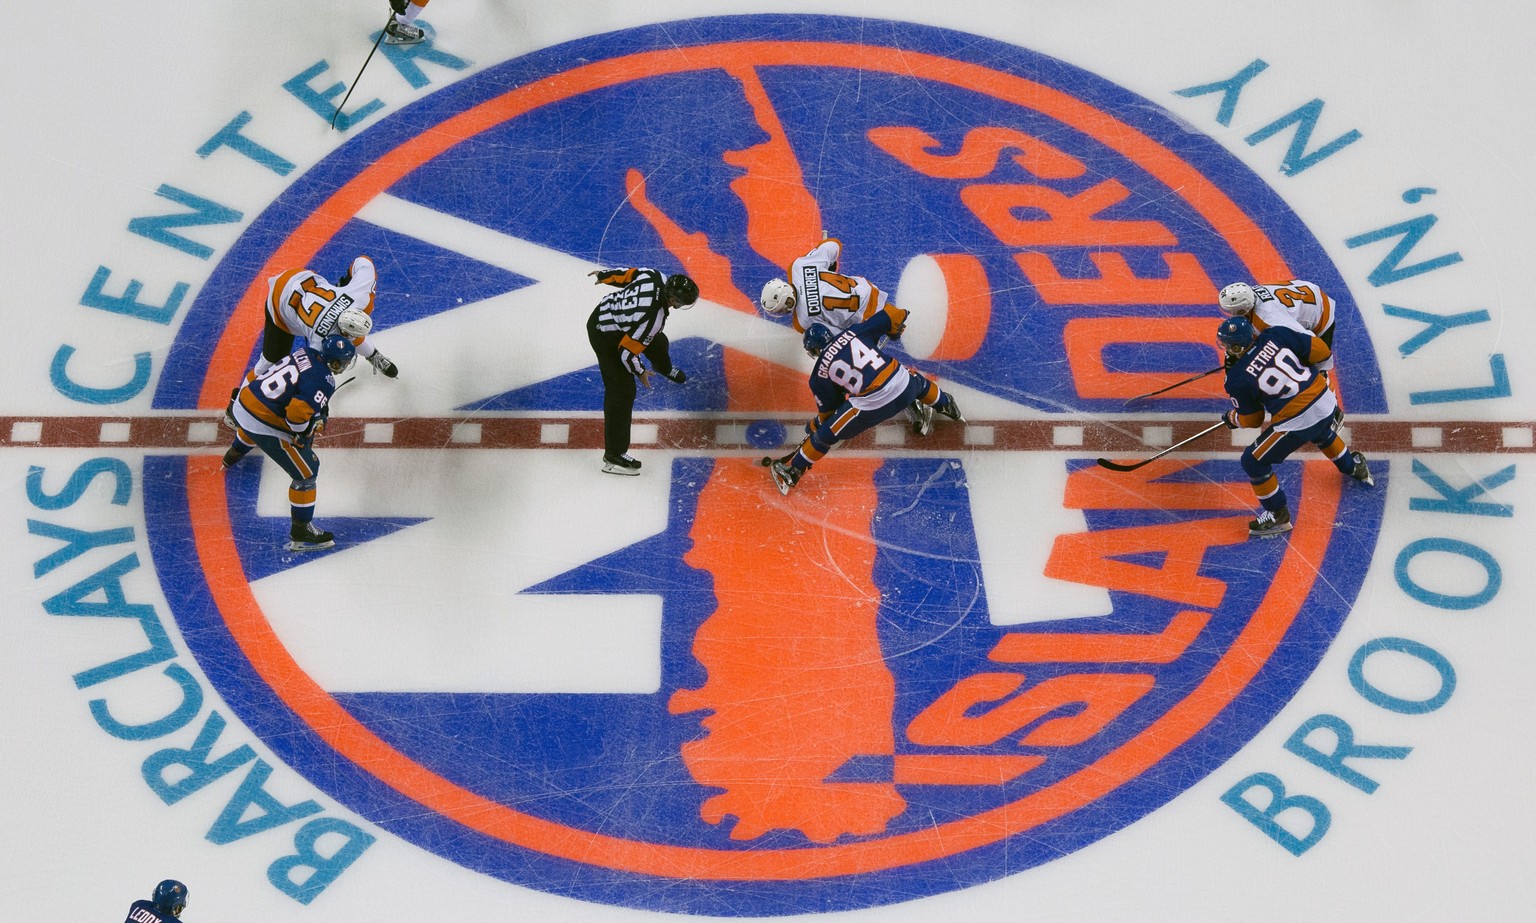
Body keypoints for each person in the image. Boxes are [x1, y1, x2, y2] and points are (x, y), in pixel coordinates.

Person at [769, 312, 964, 496]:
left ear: (813, 349)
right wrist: (895, 330)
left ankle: (793, 470)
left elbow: (830, 413)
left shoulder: (818, 376)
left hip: (873, 404)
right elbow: (893, 314)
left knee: (825, 435)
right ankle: (946, 404)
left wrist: (814, 425)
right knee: (915, 380)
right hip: (904, 385)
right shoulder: (854, 332)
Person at [1216, 315, 1373, 539]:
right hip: (1326, 400)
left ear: (1237, 346)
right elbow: (1320, 351)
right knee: (1320, 430)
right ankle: (1354, 466)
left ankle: (1277, 515)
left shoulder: (1237, 380)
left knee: (1253, 461)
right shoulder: (1275, 334)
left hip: (1299, 419)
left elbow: (1253, 420)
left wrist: (1232, 418)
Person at [760, 236, 933, 435]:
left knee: (868, 365)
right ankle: (911, 389)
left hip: (865, 321)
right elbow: (834, 244)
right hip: (869, 294)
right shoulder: (798, 267)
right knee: (873, 360)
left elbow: (838, 341)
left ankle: (914, 396)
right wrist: (827, 268)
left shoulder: (803, 320)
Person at [224, 255, 395, 427]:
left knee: (348, 338)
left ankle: (373, 355)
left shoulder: (360, 297)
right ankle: (236, 405)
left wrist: (346, 283)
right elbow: (313, 377)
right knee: (271, 362)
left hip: (303, 279)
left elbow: (363, 261)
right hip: (281, 303)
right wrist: (321, 407)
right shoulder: (320, 341)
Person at [221, 334, 356, 551]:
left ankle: (233, 455)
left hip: (244, 402)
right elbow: (295, 418)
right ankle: (301, 531)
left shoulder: (306, 353)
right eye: (344, 361)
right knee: (307, 471)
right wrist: (308, 429)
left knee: (260, 424)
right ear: (335, 362)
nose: (346, 365)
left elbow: (294, 389)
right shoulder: (324, 380)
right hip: (259, 419)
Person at [586, 266, 699, 475]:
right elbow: (626, 353)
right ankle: (614, 455)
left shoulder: (655, 276)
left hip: (610, 313)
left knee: (659, 341)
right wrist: (640, 371)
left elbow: (627, 275)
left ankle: (663, 367)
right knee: (622, 390)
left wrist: (604, 276)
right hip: (604, 334)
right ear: (674, 301)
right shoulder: (651, 320)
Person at [1219, 279, 1343, 413]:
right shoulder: (1248, 297)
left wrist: (1321, 367)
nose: (1229, 314)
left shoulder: (1271, 320)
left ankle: (1332, 409)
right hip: (1304, 293)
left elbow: (1307, 340)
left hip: (1320, 313)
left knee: (1308, 365)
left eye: (1231, 311)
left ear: (1242, 309)